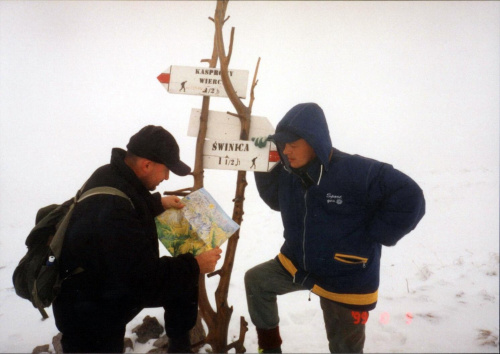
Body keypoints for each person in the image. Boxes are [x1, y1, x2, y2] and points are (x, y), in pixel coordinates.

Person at [245, 103, 426, 353]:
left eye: (293, 145)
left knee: (343, 348)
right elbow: (277, 202)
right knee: (257, 281)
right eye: (282, 145)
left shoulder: (356, 171)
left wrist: (378, 233)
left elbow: (410, 196)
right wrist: (262, 170)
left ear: (314, 142)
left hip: (346, 277)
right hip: (298, 264)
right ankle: (269, 348)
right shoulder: (291, 172)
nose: (286, 151)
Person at [53, 125, 222, 353]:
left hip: (101, 294)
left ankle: (179, 347)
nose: (167, 177)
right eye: (166, 170)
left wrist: (158, 204)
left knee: (182, 281)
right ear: (146, 165)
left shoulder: (112, 174)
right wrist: (196, 264)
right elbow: (143, 281)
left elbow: (128, 206)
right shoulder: (113, 208)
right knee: (183, 272)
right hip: (90, 316)